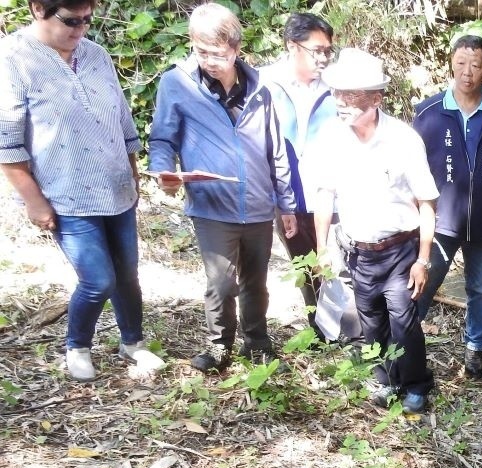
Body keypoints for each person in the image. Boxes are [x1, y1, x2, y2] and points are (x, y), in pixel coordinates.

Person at [0, 1, 164, 381]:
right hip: (66, 191)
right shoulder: (14, 58)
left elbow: (123, 120)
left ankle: (133, 342)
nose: (81, 30)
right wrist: (34, 201)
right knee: (97, 279)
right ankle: (78, 345)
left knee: (127, 274)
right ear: (38, 9)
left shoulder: (96, 54)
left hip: (116, 186)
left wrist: (133, 175)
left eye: (87, 20)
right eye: (71, 21)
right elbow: (7, 144)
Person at [148, 2, 297, 372]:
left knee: (256, 283)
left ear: (235, 48)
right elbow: (163, 138)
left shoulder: (262, 87)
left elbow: (276, 147)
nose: (209, 61)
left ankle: (258, 343)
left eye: (218, 53)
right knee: (220, 283)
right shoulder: (178, 82)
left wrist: (286, 203)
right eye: (201, 52)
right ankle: (219, 347)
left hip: (259, 203)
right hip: (212, 203)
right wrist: (164, 173)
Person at [308, 48, 438, 413]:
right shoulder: (332, 137)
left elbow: (427, 202)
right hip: (357, 251)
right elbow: (325, 194)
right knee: (370, 319)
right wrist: (321, 248)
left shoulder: (402, 139)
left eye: (352, 95)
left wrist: (423, 260)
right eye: (337, 93)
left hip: (399, 251)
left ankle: (416, 384)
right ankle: (386, 380)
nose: (342, 102)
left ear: (376, 98)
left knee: (403, 318)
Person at [412, 34, 482, 380]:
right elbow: (411, 173)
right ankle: (404, 346)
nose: (467, 72)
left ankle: (475, 350)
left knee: (481, 289)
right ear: (450, 63)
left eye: (476, 65)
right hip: (440, 221)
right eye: (461, 63)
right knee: (423, 286)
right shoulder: (428, 114)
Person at [257, 12, 337, 335]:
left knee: (331, 259)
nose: (323, 58)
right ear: (292, 46)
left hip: (330, 191)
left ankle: (340, 329)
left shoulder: (337, 85)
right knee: (303, 263)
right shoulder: (264, 83)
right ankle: (319, 328)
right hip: (287, 193)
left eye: (327, 50)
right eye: (316, 50)